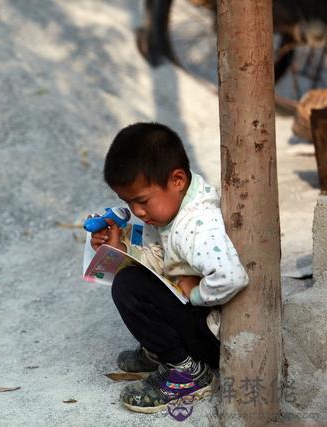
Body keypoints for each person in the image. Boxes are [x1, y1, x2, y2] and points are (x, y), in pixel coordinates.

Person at [88, 122, 248, 413]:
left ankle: (186, 371)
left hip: (210, 334)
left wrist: (198, 293)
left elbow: (232, 277)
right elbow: (164, 260)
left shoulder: (197, 226)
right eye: (129, 202)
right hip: (197, 315)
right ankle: (160, 351)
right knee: (133, 276)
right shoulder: (175, 207)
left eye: (142, 201)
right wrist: (122, 251)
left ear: (177, 180)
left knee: (128, 286)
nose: (137, 211)